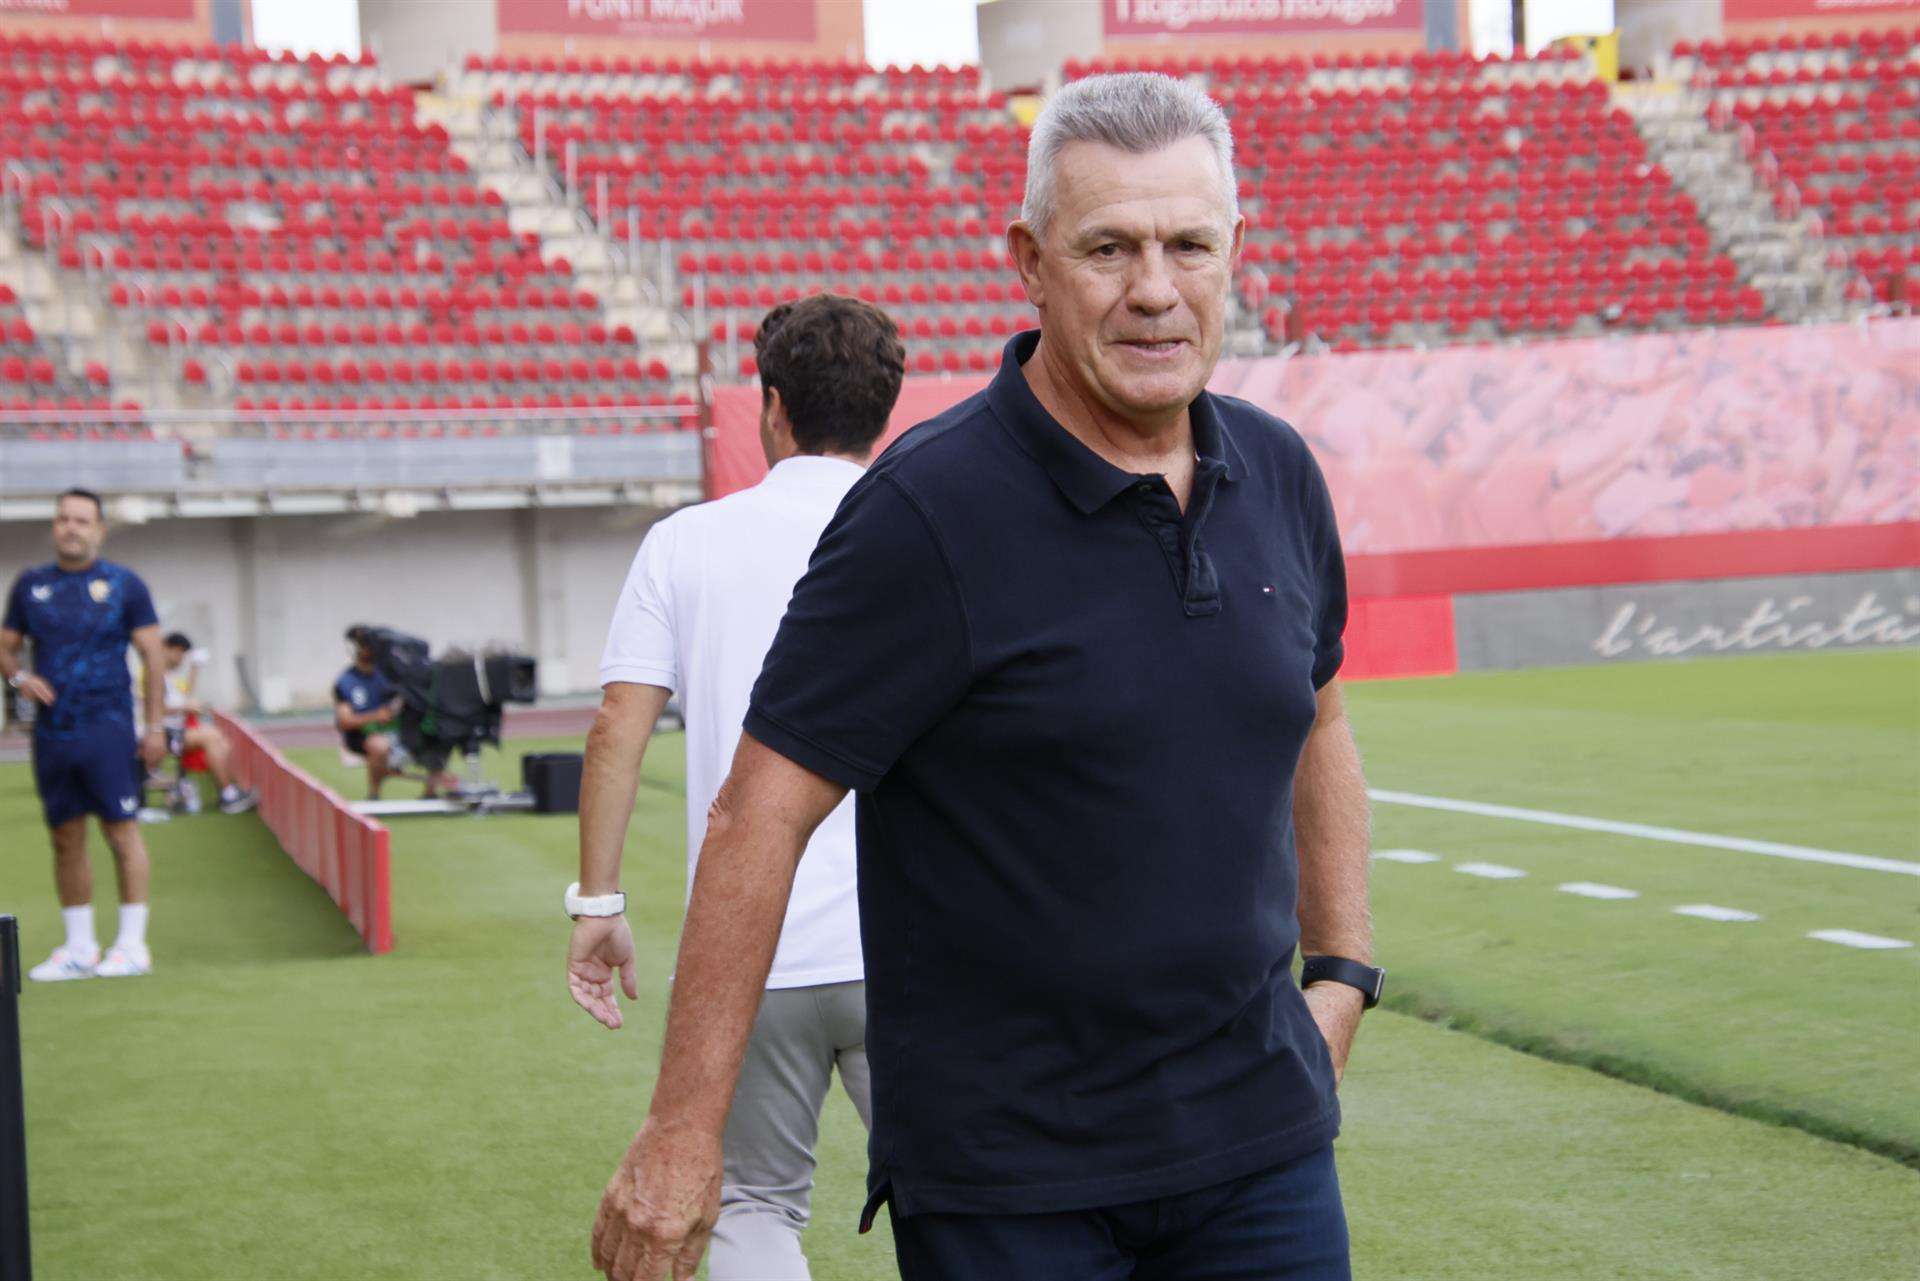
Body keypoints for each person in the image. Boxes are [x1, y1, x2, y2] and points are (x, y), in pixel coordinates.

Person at [589, 74, 1381, 1281]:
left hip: (1262, 1158)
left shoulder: (1277, 475)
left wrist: (1342, 976)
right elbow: (759, 814)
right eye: (1108, 247)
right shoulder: (925, 512)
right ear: (1029, 260)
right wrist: (685, 1132)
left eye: (1188, 246)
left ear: (1236, 252)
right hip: (1017, 1187)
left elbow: (1316, 720)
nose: (1155, 290)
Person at [570, 294, 906, 1279]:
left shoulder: (685, 543)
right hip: (912, 945)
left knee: (754, 1209)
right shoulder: (929, 530)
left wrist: (597, 903)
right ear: (885, 413)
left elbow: (613, 734)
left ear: (770, 407)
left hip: (748, 946)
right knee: (963, 1203)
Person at [1, 487, 169, 980]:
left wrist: (154, 725)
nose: (70, 527)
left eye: (81, 520)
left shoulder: (124, 584)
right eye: (62, 519)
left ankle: (133, 945)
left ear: (98, 529)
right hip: (53, 733)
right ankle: (80, 948)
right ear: (54, 527)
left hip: (109, 728)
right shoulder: (30, 586)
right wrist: (18, 678)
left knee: (121, 832)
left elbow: (154, 656)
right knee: (64, 837)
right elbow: (6, 647)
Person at [155, 632, 257, 815]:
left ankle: (228, 791)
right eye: (180, 654)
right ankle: (228, 796)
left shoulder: (167, 676)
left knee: (219, 740)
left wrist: (195, 669)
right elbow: (152, 707)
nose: (181, 660)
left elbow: (186, 696)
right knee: (211, 737)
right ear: (167, 649)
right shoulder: (152, 674)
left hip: (174, 731)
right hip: (160, 733)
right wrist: (184, 707)